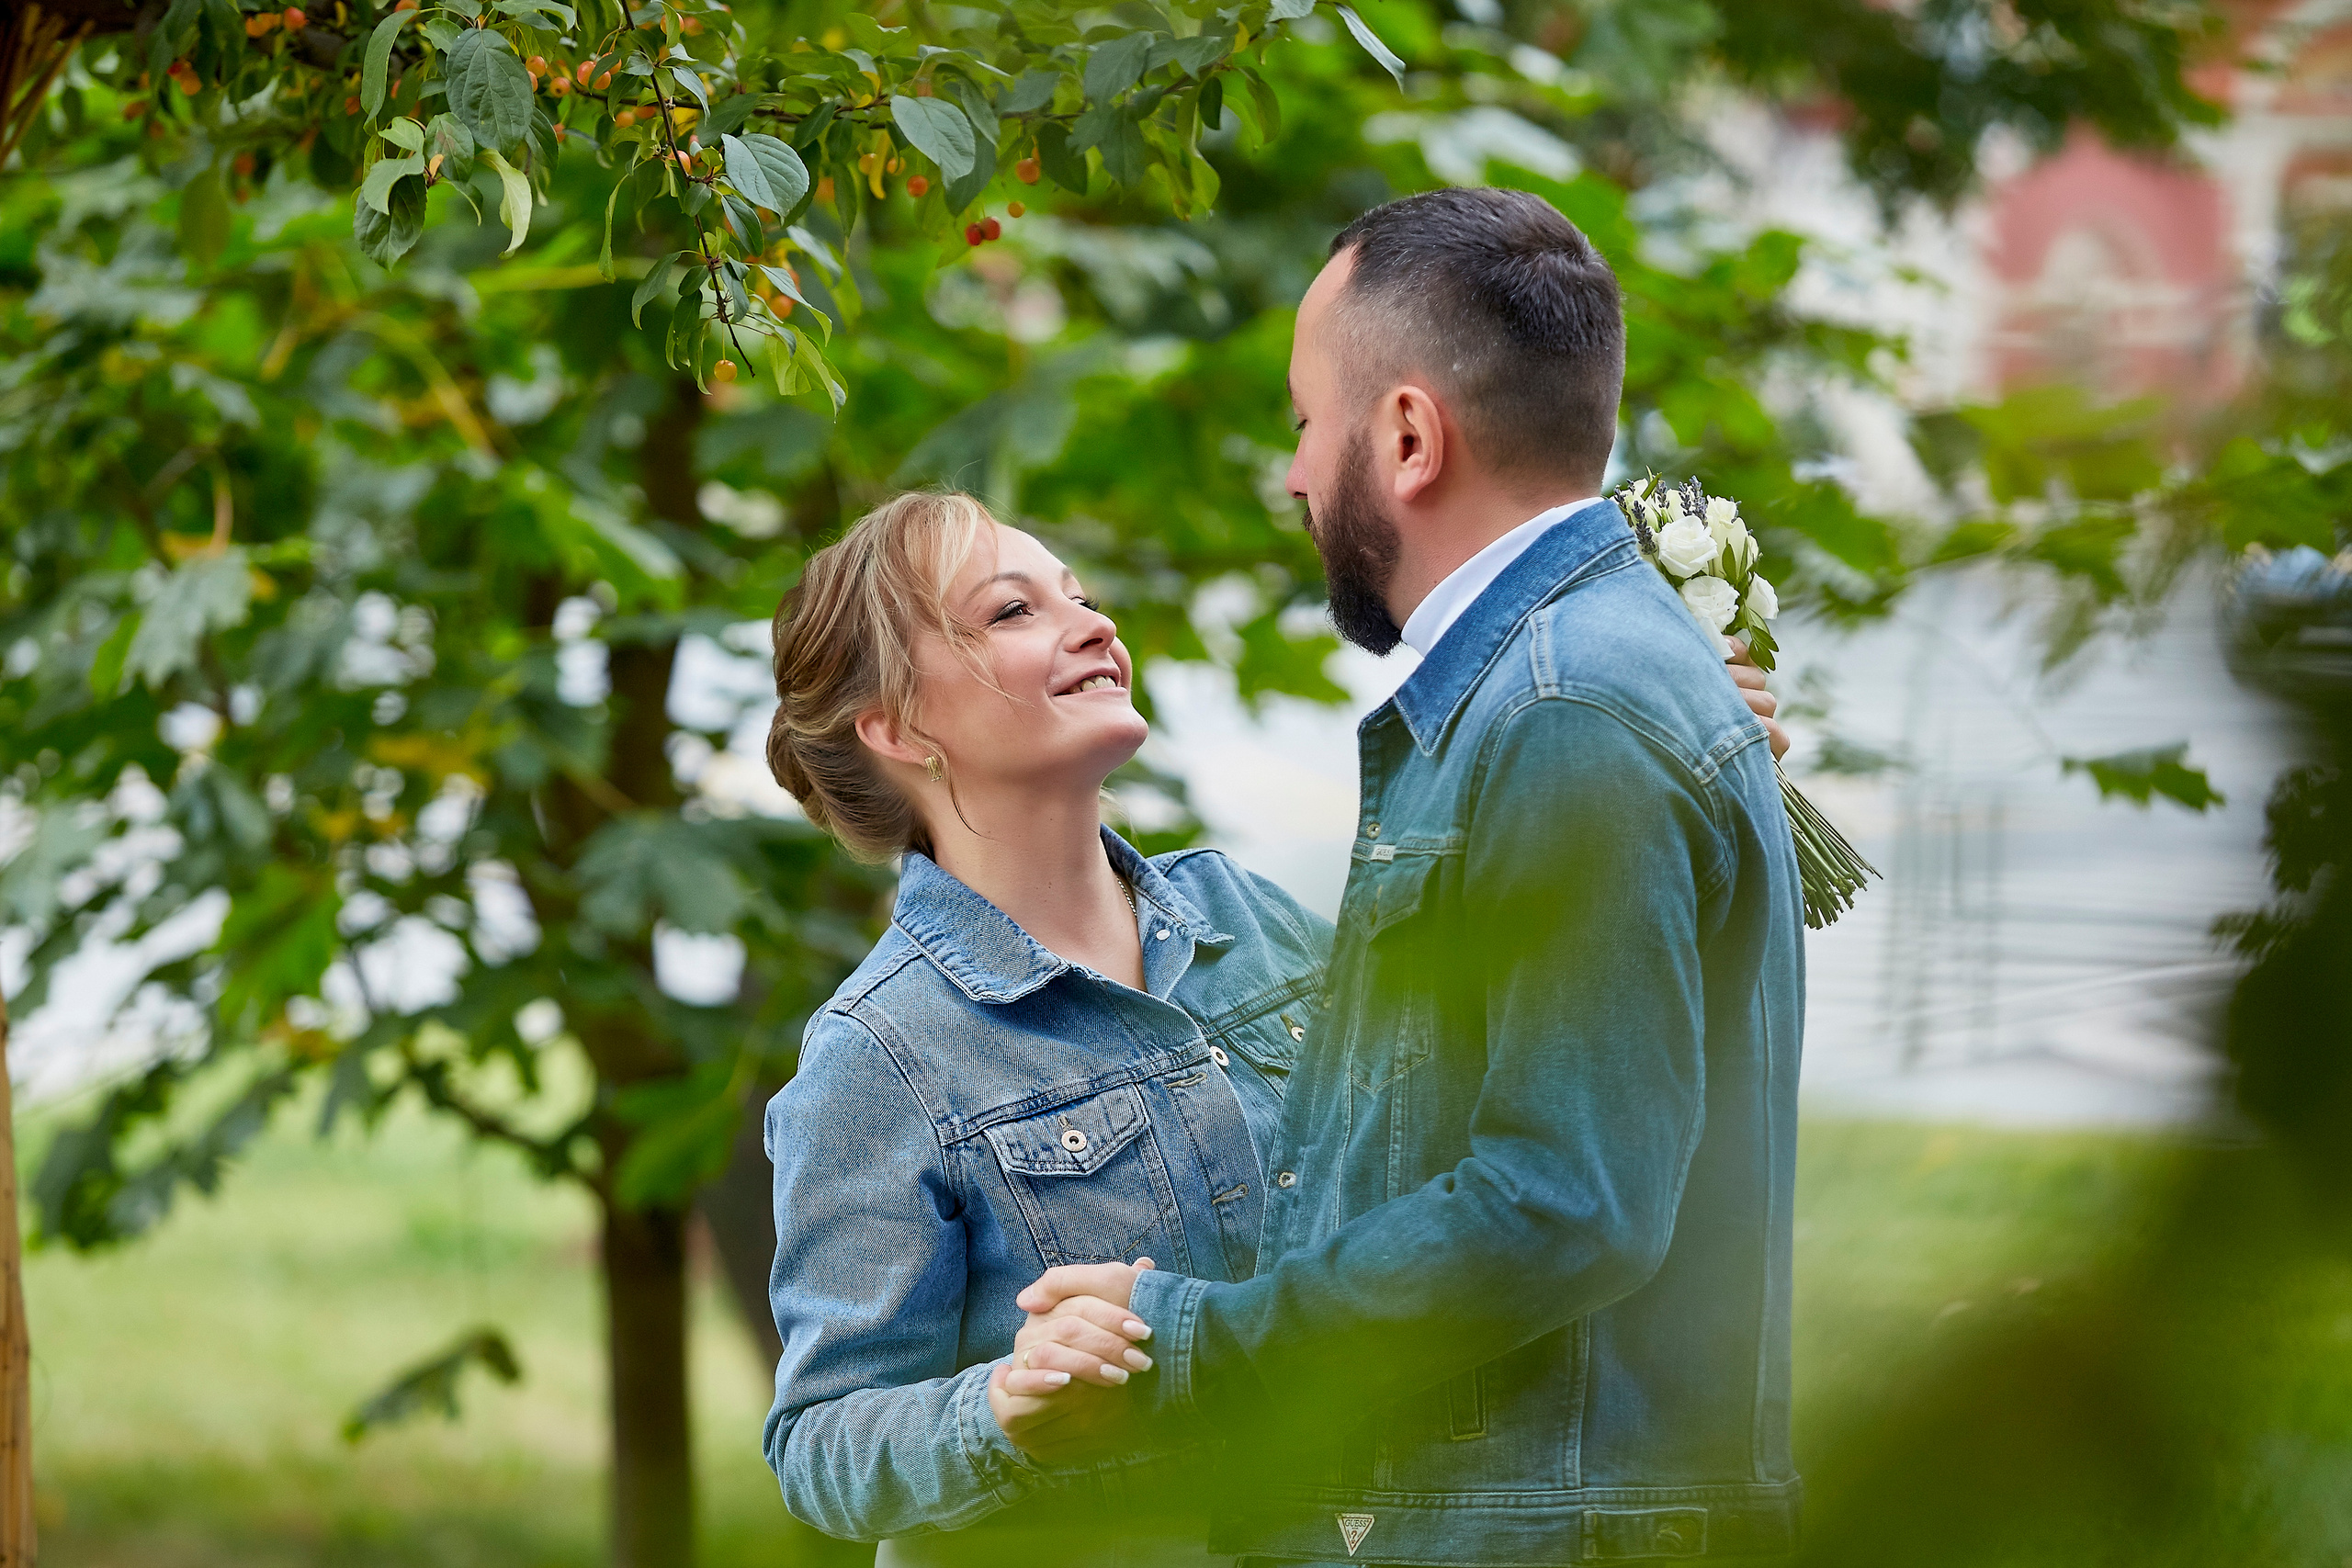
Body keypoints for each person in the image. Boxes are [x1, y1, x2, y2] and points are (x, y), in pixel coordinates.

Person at [755, 485, 1790, 1564]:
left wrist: (1649, 768)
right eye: (1014, 612)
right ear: (897, 727)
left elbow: (1470, 1094)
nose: (1094, 624)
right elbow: (819, 1441)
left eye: (1081, 595)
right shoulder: (879, 1054)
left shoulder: (1244, 918)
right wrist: (1000, 1409)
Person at [1016, 186, 1809, 1568]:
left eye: (1305, 421)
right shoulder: (1565, 680)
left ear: (1406, 434)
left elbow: (1566, 1198)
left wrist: (1208, 1339)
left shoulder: (1568, 711)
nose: (1296, 474)